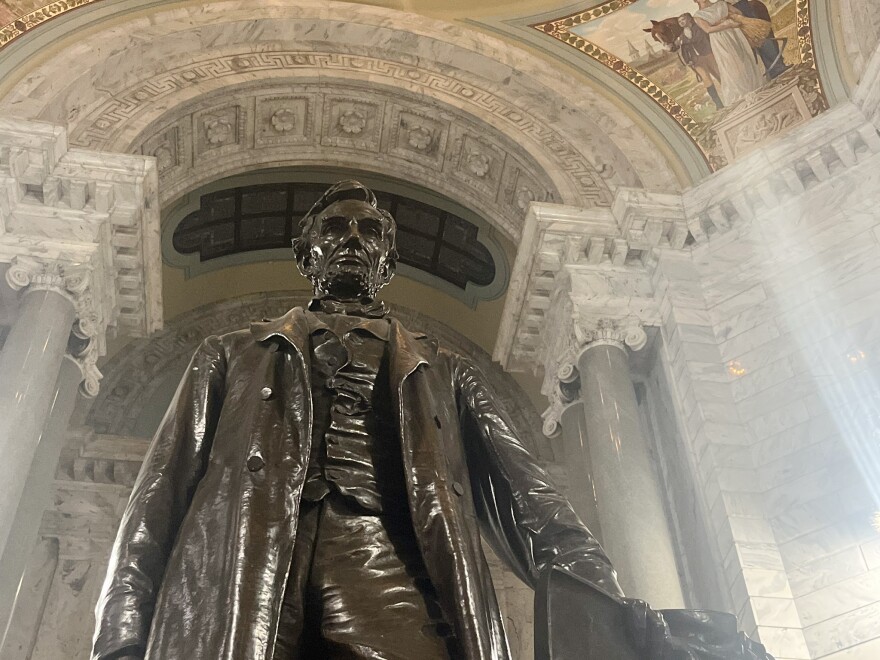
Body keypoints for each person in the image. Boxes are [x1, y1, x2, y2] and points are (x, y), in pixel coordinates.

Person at [90, 180, 632, 660]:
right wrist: (121, 628)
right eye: (335, 228)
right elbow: (159, 493)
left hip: (393, 569)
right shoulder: (230, 353)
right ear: (308, 254)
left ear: (387, 262)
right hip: (240, 572)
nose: (353, 239)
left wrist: (603, 591)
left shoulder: (443, 369)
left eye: (370, 231)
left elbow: (526, 491)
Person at [693, 0, 766, 105]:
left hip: (735, 34)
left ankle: (754, 87)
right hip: (720, 40)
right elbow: (708, 29)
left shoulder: (721, 4)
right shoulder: (698, 15)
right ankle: (741, 93)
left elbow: (739, 13)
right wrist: (726, 24)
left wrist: (731, 19)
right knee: (731, 65)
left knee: (744, 58)